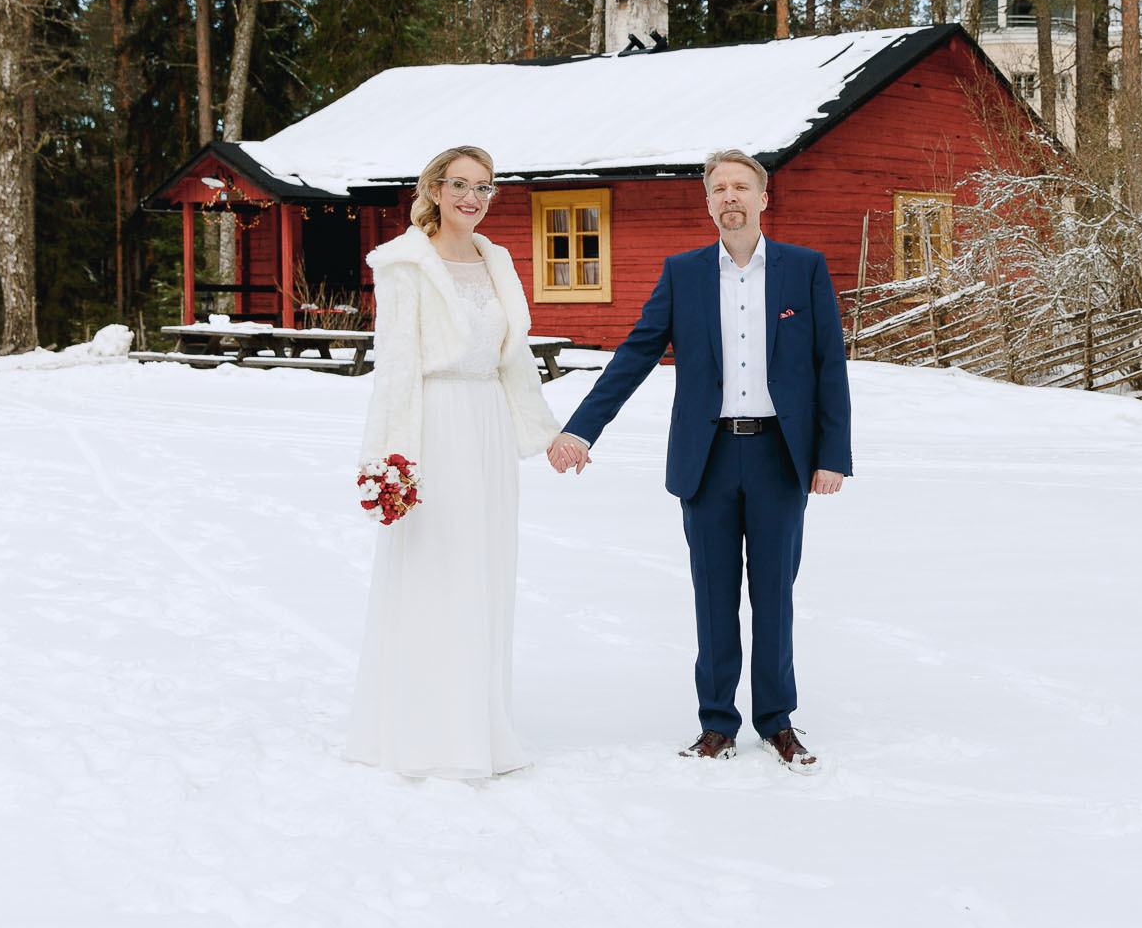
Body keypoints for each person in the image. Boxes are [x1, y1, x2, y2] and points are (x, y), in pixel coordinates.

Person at [549, 149, 851, 774]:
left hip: (779, 457)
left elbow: (830, 367)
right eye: (719, 189)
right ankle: (717, 723)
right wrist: (581, 430)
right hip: (706, 458)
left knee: (774, 596)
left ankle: (777, 721)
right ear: (708, 202)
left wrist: (832, 456)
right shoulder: (682, 273)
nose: (729, 197)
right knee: (713, 596)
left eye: (741, 187)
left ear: (763, 198)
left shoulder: (803, 269)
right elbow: (635, 354)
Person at [347, 145, 561, 780]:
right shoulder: (405, 263)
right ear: (435, 189)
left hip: (488, 424)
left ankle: (480, 727)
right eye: (461, 184)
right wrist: (391, 461)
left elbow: (513, 359)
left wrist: (546, 432)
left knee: (485, 569)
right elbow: (395, 369)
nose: (473, 197)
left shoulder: (497, 260)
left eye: (484, 186)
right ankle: (427, 735)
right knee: (438, 568)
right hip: (435, 426)